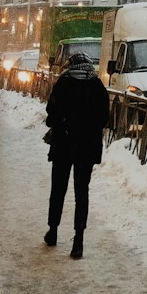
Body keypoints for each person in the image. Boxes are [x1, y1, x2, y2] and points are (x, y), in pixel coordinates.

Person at [44, 50, 110, 259]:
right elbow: (105, 118)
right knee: (82, 192)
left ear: (70, 65)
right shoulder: (97, 86)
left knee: (58, 189)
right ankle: (78, 240)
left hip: (63, 145)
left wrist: (63, 124)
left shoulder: (63, 83)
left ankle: (53, 231)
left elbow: (51, 113)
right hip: (86, 148)